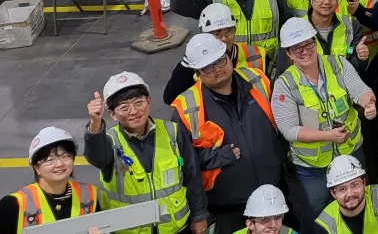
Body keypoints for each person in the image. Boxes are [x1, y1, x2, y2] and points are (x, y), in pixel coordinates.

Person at [170, 34, 283, 234]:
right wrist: (199, 213)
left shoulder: (258, 80)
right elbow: (184, 164)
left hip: (273, 191)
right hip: (227, 206)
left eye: (221, 60)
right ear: (197, 72)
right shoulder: (186, 106)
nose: (217, 69)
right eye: (208, 67)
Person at [271, 18, 377, 220]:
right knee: (319, 212)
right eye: (296, 48)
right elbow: (289, 130)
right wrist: (328, 136)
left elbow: (359, 89)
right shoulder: (284, 84)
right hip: (313, 167)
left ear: (315, 42)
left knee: (359, 203)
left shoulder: (338, 64)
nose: (304, 51)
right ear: (288, 54)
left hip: (350, 152)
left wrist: (368, 103)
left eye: (308, 44)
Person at [84, 71, 208, 234]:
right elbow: (96, 157)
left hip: (176, 229)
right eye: (124, 107)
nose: (134, 111)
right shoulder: (109, 141)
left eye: (139, 103)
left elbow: (192, 175)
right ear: (113, 114)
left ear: (149, 101)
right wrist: (95, 123)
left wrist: (199, 216)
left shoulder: (173, 132)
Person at [3, 127, 97, 234]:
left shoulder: (90, 195)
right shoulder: (14, 204)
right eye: (50, 159)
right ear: (36, 167)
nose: (59, 164)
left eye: (65, 156)